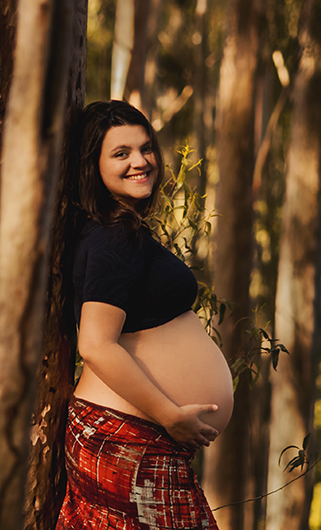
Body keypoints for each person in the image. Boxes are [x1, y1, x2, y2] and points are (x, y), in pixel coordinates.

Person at [56, 100, 234, 530]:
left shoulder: (114, 229)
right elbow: (95, 344)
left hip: (130, 435)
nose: (141, 161)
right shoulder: (115, 236)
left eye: (146, 148)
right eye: (121, 153)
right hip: (129, 435)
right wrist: (170, 416)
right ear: (92, 165)